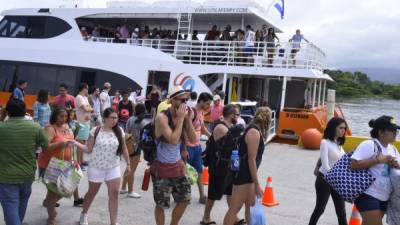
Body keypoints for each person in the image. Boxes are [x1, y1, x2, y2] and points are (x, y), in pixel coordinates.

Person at [152, 85, 196, 225]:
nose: (184, 103)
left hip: (177, 167)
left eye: (186, 100)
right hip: (162, 169)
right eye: (181, 100)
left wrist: (188, 120)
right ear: (171, 100)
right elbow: (172, 139)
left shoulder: (183, 116)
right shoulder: (162, 117)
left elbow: (194, 139)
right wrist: (182, 119)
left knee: (185, 199)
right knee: (161, 205)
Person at [79, 108, 131, 225]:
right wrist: (76, 144)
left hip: (113, 167)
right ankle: (84, 213)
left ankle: (114, 222)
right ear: (105, 118)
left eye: (116, 117)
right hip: (96, 167)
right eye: (112, 118)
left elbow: (123, 148)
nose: (114, 120)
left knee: (114, 194)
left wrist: (128, 163)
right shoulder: (95, 130)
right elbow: (88, 149)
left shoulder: (119, 131)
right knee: (92, 193)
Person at [0, 99, 48, 225]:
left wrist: (2, 116)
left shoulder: (1, 127)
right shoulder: (35, 127)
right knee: (22, 201)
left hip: (6, 176)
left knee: (10, 204)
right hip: (27, 174)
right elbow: (46, 146)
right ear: (25, 111)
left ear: (7, 112)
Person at [38, 107, 87, 225]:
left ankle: (49, 204)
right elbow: (45, 147)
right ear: (55, 116)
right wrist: (61, 143)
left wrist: (74, 159)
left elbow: (71, 143)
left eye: (66, 116)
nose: (64, 118)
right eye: (61, 116)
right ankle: (51, 216)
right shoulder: (50, 128)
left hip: (65, 164)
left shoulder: (66, 127)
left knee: (61, 190)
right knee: (55, 191)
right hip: (51, 165)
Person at [223, 107, 272, 225]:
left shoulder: (253, 129)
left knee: (250, 206)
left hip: (247, 175)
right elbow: (251, 160)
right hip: (243, 176)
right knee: (234, 209)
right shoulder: (254, 132)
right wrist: (257, 184)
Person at [351, 116, 400, 225]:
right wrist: (378, 160)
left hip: (384, 196)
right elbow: (353, 164)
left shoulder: (393, 149)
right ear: (381, 132)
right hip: (368, 194)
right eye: (392, 130)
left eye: (396, 130)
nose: (395, 133)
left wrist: (395, 165)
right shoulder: (369, 144)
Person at [202, 104, 245, 225]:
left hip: (228, 166)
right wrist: (238, 132)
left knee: (230, 192)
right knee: (213, 194)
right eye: (237, 114)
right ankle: (206, 217)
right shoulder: (221, 127)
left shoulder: (229, 126)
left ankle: (234, 217)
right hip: (218, 166)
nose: (238, 117)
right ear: (231, 115)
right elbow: (229, 142)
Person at [308, 117, 348, 225]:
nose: (343, 130)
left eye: (344, 128)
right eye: (341, 128)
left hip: (336, 181)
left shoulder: (338, 144)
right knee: (320, 209)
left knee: (341, 211)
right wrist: (338, 179)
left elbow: (342, 164)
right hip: (324, 180)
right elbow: (325, 166)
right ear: (333, 128)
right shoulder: (325, 142)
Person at [186, 92, 213, 204]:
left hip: (197, 147)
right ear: (201, 101)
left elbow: (201, 127)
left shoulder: (201, 112)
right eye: (207, 103)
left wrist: (211, 136)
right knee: (186, 173)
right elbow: (183, 130)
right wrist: (183, 149)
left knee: (199, 171)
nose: (209, 106)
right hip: (188, 147)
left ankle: (202, 196)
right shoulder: (192, 112)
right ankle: (184, 196)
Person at [120, 103, 147, 198]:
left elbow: (126, 132)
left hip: (127, 145)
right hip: (136, 147)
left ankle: (123, 187)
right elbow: (143, 138)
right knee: (132, 170)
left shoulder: (130, 119)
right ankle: (130, 191)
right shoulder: (143, 123)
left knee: (128, 167)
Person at [75, 83, 93, 169]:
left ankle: (81, 160)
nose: (88, 90)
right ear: (84, 89)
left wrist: (89, 108)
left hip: (86, 123)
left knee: (83, 143)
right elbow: (86, 108)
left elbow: (88, 107)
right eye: (87, 88)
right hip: (81, 123)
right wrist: (91, 109)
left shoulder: (85, 98)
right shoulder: (79, 97)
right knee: (80, 144)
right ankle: (79, 162)